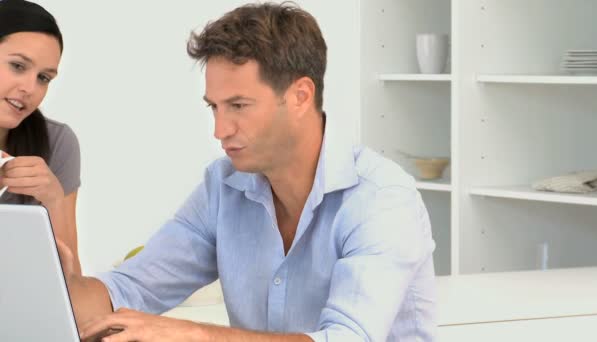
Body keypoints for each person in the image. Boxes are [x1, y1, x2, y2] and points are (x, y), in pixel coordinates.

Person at [63, 3, 437, 341]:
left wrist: (192, 333)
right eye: (214, 107)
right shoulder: (223, 187)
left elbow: (347, 339)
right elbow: (129, 287)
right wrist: (46, 284)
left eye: (238, 105)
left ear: (300, 96)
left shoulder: (382, 199)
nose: (220, 129)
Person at [0, 0, 82, 272]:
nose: (29, 88)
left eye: (44, 78)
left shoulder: (57, 143)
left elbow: (72, 285)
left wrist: (53, 200)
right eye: (18, 66)